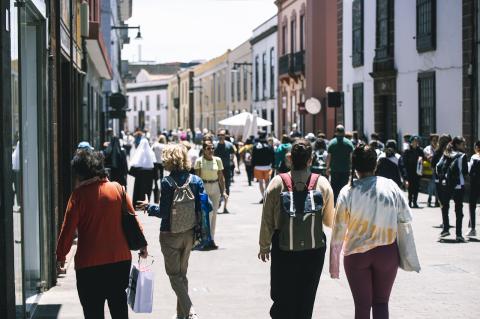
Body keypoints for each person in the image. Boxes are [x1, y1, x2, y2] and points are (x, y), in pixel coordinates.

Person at [56, 150, 147, 319]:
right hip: (120, 260)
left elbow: (67, 229)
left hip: (89, 264)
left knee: (93, 311)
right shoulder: (117, 188)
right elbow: (133, 219)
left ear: (80, 172)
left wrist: (61, 255)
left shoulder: (78, 196)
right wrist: (142, 245)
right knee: (119, 307)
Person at [330, 144, 412, 319]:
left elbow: (338, 229)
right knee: (381, 303)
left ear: (355, 166)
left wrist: (334, 264)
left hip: (356, 253)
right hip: (386, 252)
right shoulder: (391, 186)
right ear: (376, 164)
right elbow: (405, 218)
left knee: (362, 306)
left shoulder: (347, 191)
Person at [258, 139, 334, 319]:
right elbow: (330, 220)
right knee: (306, 298)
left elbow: (267, 219)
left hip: (284, 247)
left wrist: (264, 246)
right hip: (313, 249)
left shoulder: (277, 183)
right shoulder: (321, 183)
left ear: (290, 159)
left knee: (282, 295)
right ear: (310, 160)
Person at [137, 144, 202, 319]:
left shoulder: (167, 183)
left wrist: (149, 207)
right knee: (182, 275)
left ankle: (190, 312)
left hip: (170, 235)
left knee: (174, 276)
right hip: (189, 234)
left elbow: (164, 212)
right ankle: (181, 315)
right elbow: (201, 208)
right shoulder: (195, 181)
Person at [195, 140, 228, 249]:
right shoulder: (199, 161)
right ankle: (204, 239)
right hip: (204, 187)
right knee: (205, 214)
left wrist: (224, 191)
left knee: (214, 214)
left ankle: (212, 239)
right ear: (204, 150)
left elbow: (221, 177)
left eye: (212, 148)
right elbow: (197, 178)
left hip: (215, 187)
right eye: (208, 149)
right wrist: (197, 192)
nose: (211, 150)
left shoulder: (217, 160)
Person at [436, 136, 469, 241]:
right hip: (459, 185)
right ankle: (458, 234)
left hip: (446, 185)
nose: (465, 146)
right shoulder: (462, 156)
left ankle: (445, 229)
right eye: (463, 144)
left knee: (445, 206)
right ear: (458, 144)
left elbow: (438, 166)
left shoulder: (446, 153)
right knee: (458, 209)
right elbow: (465, 172)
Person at [326, 125, 354, 203]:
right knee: (344, 187)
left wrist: (327, 168)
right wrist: (352, 168)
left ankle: (335, 204)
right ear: (344, 132)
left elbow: (329, 157)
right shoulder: (349, 143)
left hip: (334, 170)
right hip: (345, 170)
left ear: (336, 132)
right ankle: (344, 203)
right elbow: (352, 157)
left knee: (335, 188)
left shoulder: (332, 143)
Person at [214, 129, 235, 214]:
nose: (220, 136)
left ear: (225, 136)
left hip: (226, 169)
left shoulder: (229, 145)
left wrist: (234, 165)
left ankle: (225, 207)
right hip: (217, 169)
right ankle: (218, 202)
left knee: (227, 187)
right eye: (219, 135)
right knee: (218, 186)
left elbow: (233, 155)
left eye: (222, 135)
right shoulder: (215, 146)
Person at [130, 138, 156, 205]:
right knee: (147, 189)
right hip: (149, 174)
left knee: (138, 189)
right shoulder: (151, 152)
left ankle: (138, 203)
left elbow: (134, 162)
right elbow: (154, 163)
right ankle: (146, 203)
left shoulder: (139, 152)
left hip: (140, 173)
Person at [400, 136, 424, 208]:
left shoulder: (420, 150)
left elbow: (423, 159)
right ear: (411, 142)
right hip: (409, 171)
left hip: (417, 171)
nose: (415, 143)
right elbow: (404, 162)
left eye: (416, 141)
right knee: (410, 188)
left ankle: (415, 202)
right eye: (414, 141)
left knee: (416, 188)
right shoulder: (407, 150)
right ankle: (410, 202)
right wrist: (405, 175)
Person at [252, 131, 275, 204]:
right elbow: (272, 156)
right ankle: (266, 196)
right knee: (267, 181)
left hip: (258, 167)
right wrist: (273, 165)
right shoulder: (269, 146)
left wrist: (253, 166)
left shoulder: (255, 146)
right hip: (267, 167)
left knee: (260, 182)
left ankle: (263, 196)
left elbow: (253, 157)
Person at [468, 141, 480, 237]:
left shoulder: (474, 157)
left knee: (472, 206)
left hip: (475, 185)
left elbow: (469, 170)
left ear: (476, 147)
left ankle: (472, 229)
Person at [424, 134, 439, 207]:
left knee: (437, 185)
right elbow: (428, 157)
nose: (435, 142)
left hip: (438, 169)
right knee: (432, 184)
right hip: (431, 169)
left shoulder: (439, 148)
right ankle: (430, 198)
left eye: (436, 140)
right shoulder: (428, 148)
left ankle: (436, 200)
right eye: (433, 140)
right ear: (430, 141)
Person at [151, 135, 167, 203]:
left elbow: (151, 150)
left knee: (155, 174)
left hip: (155, 161)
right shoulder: (164, 146)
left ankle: (156, 185)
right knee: (162, 174)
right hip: (161, 162)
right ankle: (162, 184)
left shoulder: (155, 144)